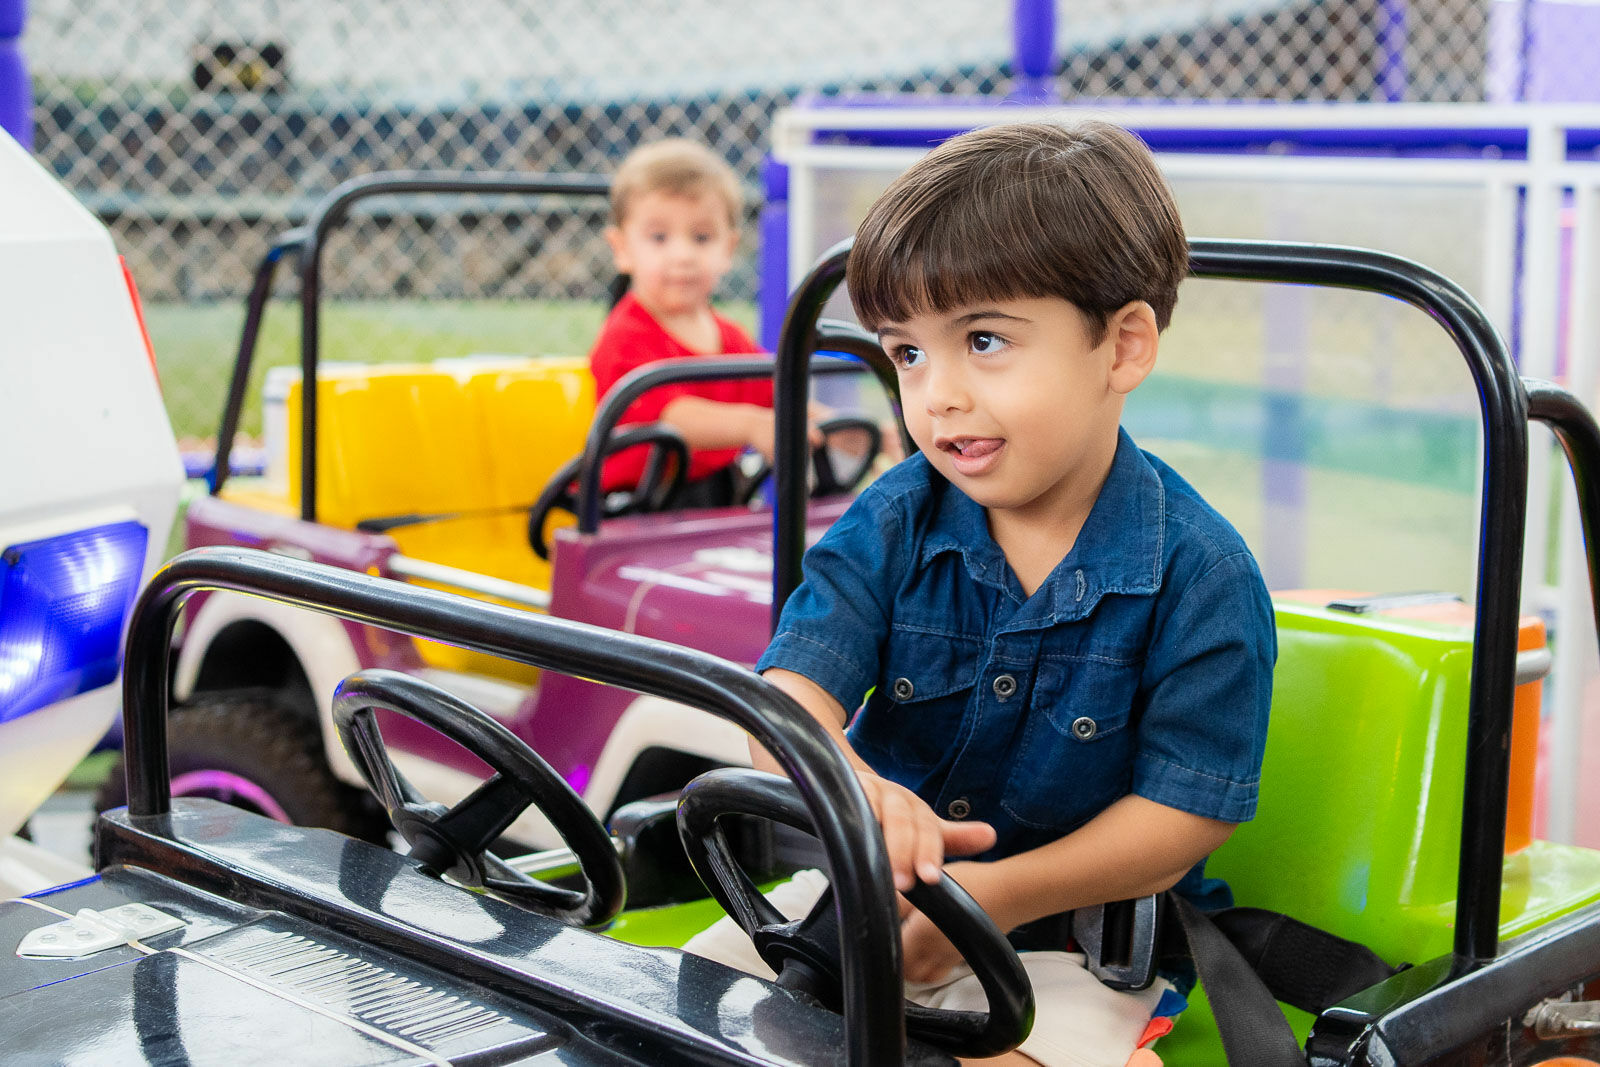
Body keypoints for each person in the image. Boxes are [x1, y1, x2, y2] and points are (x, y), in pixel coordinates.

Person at [683, 120, 1277, 1067]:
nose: (937, 395)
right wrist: (859, 789)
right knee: (662, 1017)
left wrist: (988, 901)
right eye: (908, 355)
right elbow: (788, 696)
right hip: (869, 899)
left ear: (1122, 348)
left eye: (985, 341)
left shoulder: (1202, 575)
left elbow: (1183, 818)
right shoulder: (894, 518)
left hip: (1074, 946)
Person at [590, 138, 816, 507]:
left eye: (701, 237)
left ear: (727, 249)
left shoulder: (730, 338)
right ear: (622, 249)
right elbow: (672, 418)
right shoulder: (625, 337)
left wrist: (831, 425)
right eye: (659, 237)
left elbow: (777, 394)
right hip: (634, 509)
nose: (682, 255)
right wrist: (750, 424)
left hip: (717, 499)